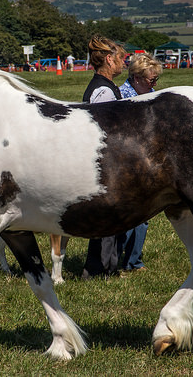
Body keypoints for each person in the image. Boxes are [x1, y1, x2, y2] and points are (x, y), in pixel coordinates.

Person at [80, 35, 127, 279]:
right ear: (109, 60)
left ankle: (106, 266)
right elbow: (104, 130)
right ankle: (99, 269)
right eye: (120, 58)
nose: (123, 63)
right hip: (105, 162)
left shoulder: (105, 87)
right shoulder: (103, 91)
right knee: (107, 217)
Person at [116, 53, 164, 271]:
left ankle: (134, 261)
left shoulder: (151, 94)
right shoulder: (121, 97)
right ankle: (118, 260)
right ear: (136, 77)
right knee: (125, 216)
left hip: (146, 160)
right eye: (151, 80)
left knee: (143, 216)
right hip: (124, 162)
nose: (154, 84)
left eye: (155, 80)